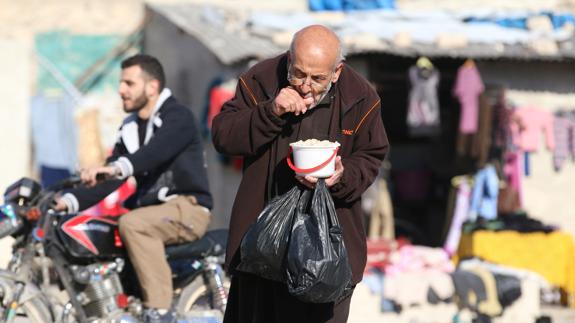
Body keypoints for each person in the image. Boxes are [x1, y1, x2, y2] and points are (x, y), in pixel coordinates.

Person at [212, 25, 389, 323]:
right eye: (298, 74)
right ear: (289, 59)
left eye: (318, 78)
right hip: (263, 248)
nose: (306, 86)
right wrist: (271, 111)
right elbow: (224, 137)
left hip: (327, 253)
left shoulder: (361, 97)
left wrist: (342, 176)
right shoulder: (261, 80)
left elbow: (371, 156)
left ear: (336, 72)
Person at [55, 54, 213, 323]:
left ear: (152, 87)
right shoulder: (129, 129)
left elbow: (153, 153)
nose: (121, 90)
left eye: (128, 83)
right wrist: (66, 201)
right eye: (121, 83)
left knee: (132, 223)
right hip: (152, 215)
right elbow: (111, 178)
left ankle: (160, 312)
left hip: (187, 209)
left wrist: (117, 167)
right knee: (101, 228)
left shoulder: (178, 117)